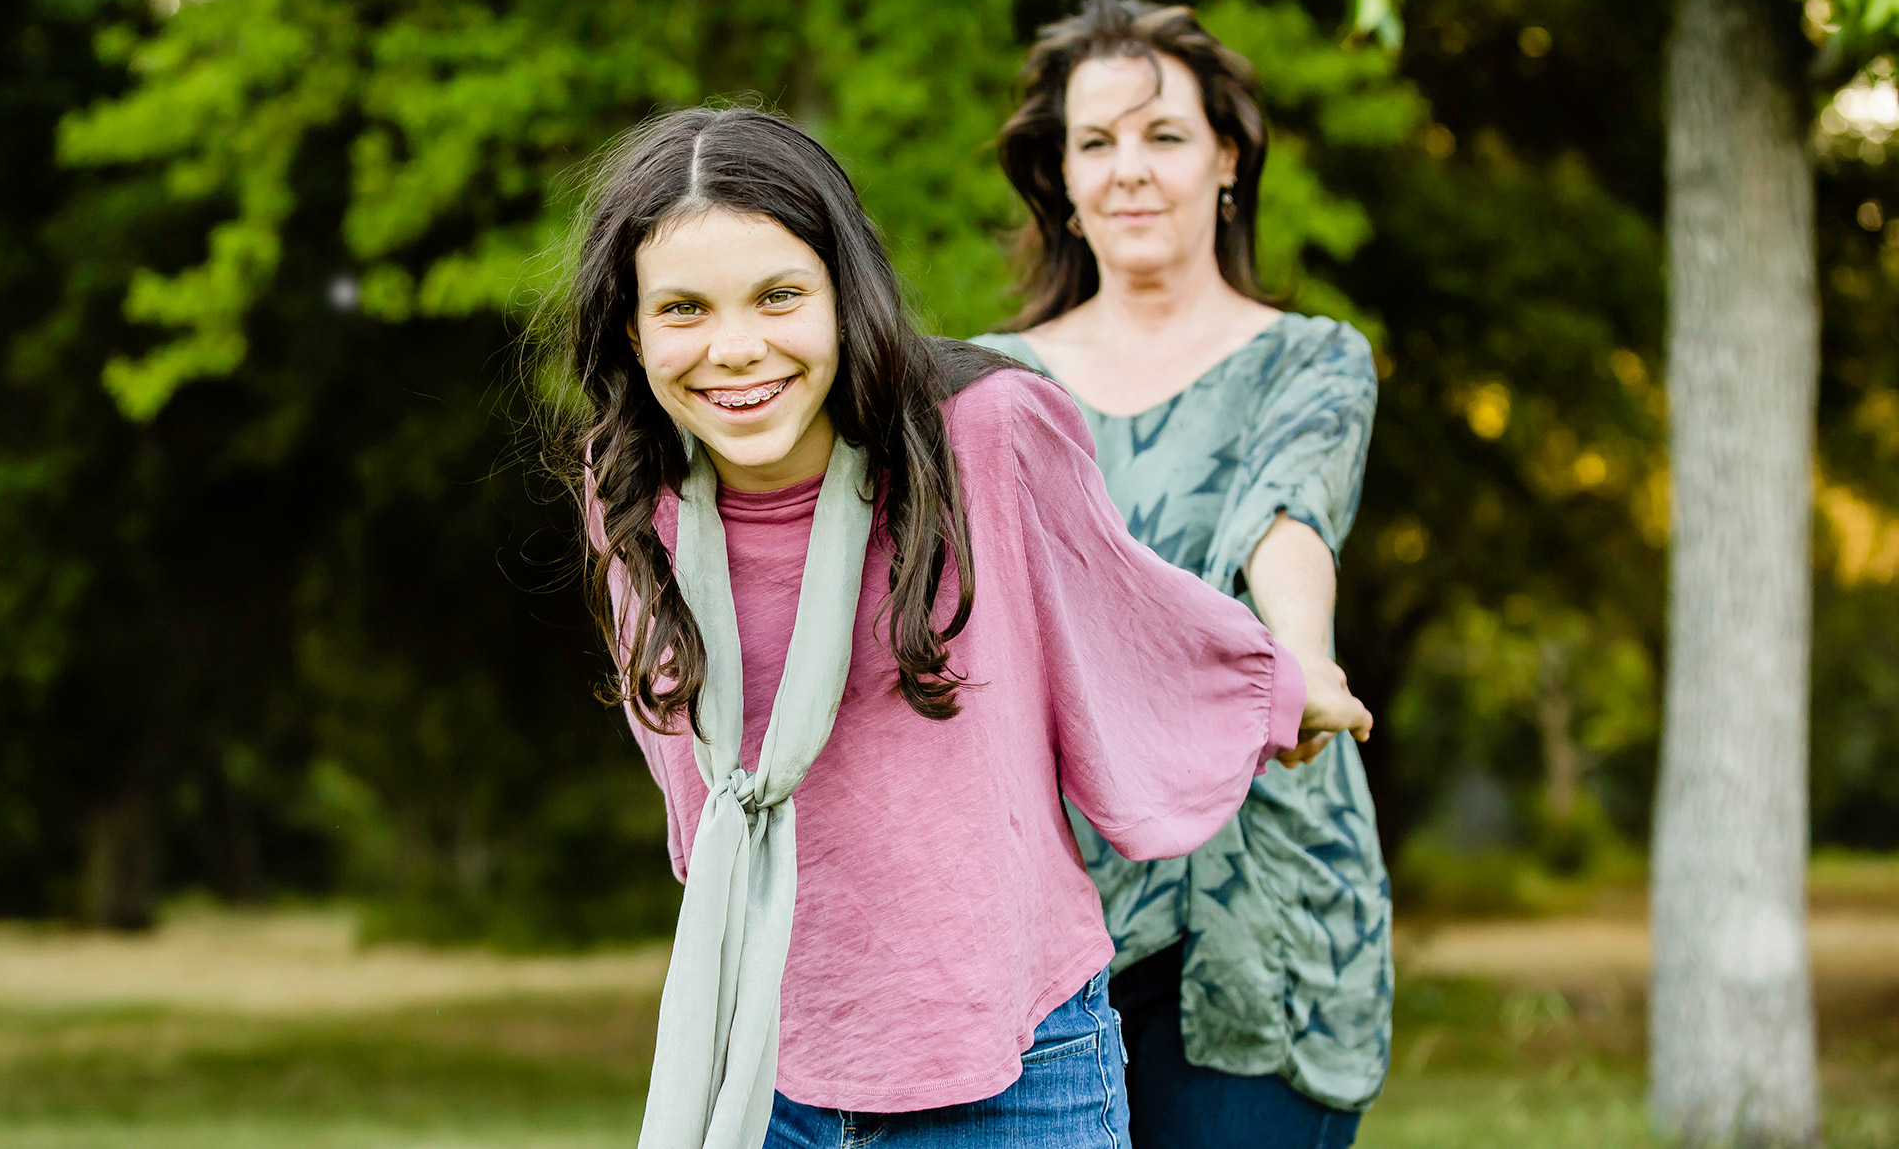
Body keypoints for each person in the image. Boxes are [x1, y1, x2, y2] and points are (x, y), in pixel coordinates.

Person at [530, 104, 1373, 1149]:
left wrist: (1278, 684)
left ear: (845, 294)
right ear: (629, 326)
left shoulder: (986, 433)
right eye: (684, 309)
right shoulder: (626, 490)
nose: (734, 348)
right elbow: (691, 782)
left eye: (779, 295)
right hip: (761, 1057)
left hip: (1006, 1070)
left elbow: (1124, 613)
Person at [973, 0, 1391, 1149]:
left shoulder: (1311, 358)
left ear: (1225, 157)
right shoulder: (987, 386)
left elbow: (1282, 517)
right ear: (1057, 177)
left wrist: (1300, 659)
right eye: (1095, 142)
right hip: (1055, 899)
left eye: (1162, 135)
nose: (1130, 170)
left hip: (1261, 896)